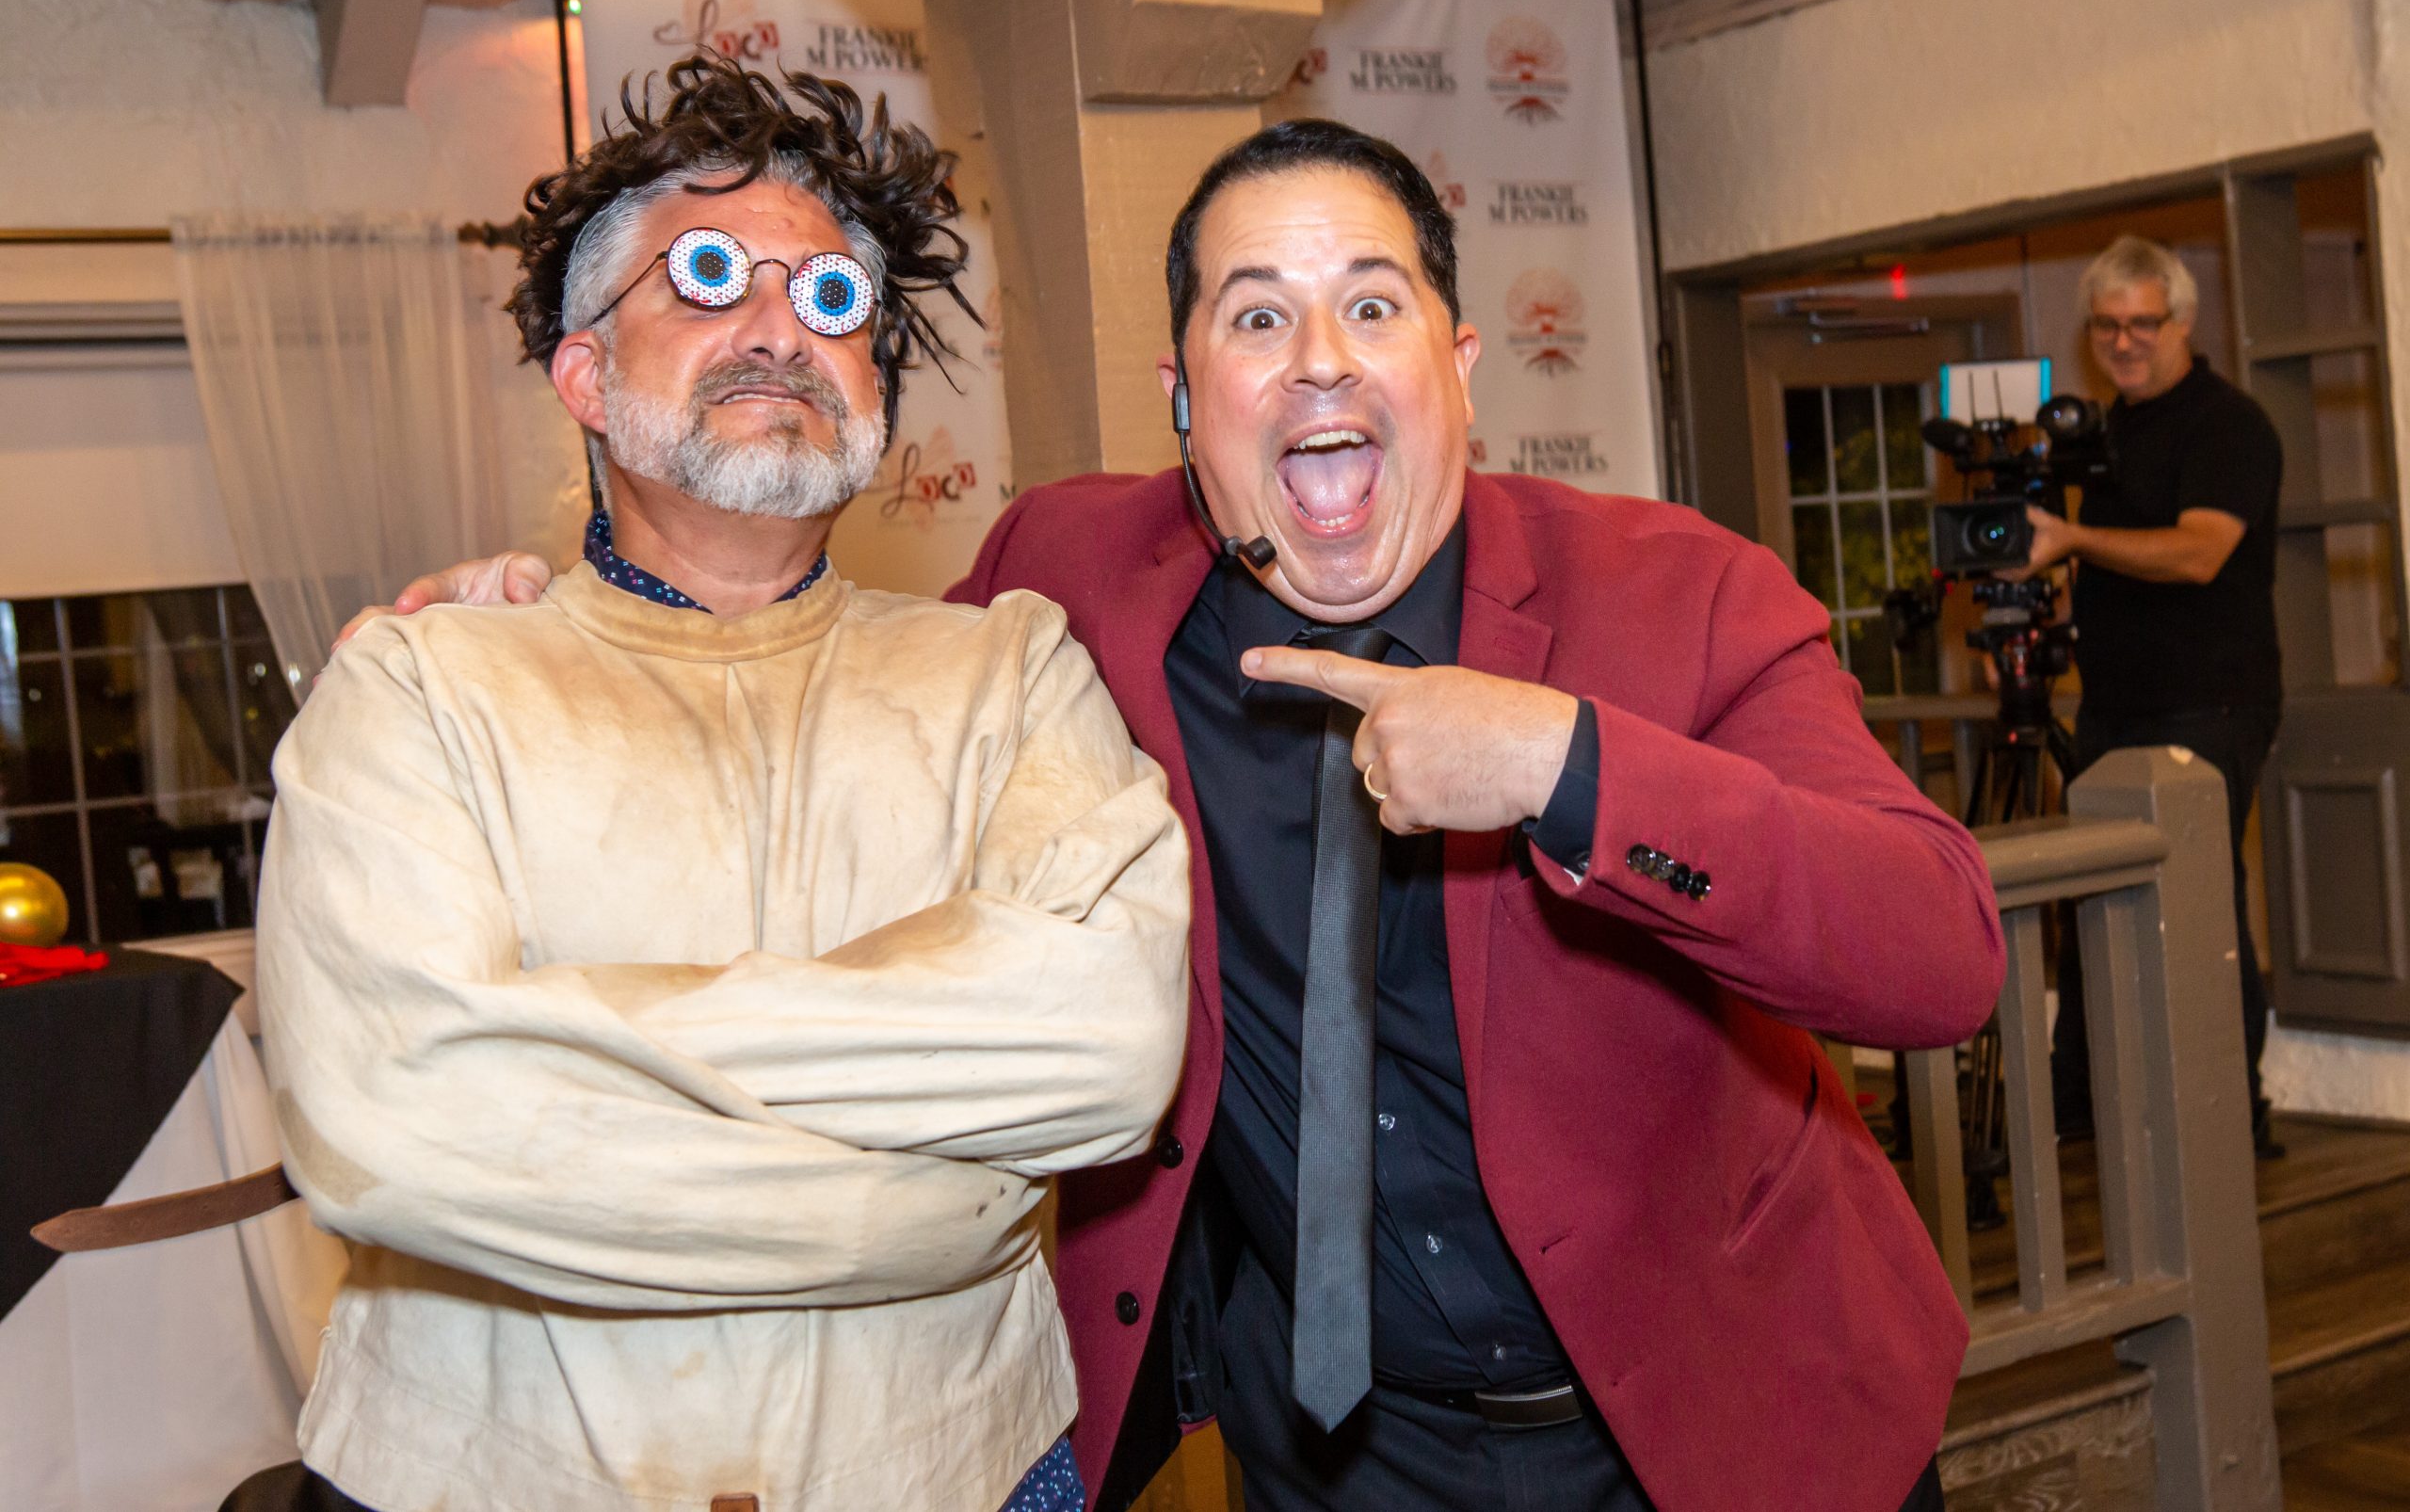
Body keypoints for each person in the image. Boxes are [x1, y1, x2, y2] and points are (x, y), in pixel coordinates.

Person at [375, 120, 2004, 1512]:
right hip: (1336, 1456)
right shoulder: (1070, 584)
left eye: (1373, 304)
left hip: (1728, 1423)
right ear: (1183, 394)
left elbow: (1938, 951)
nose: (1320, 359)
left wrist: (1570, 769)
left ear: (1459, 369)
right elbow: (821, 695)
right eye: (1258, 315)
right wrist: (561, 629)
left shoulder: (1684, 593)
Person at [252, 54, 1189, 1512]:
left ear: (874, 383)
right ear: (584, 372)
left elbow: (1111, 1051)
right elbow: (388, 1124)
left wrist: (567, 1037)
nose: (779, 327)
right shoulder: (421, 686)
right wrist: (937, 1201)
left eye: (832, 300)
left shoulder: (1010, 675)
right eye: (707, 276)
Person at [2004, 234, 2286, 1158]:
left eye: (2142, 324)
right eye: (2106, 326)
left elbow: (2199, 552)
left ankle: (2232, 1115)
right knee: (2090, 900)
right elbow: (2092, 570)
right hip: (2112, 704)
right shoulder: (2100, 435)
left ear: (2182, 323)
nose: (2123, 342)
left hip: (2210, 702)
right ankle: (2080, 1103)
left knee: (2200, 903)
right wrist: (2041, 594)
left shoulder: (2229, 424)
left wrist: (2074, 542)